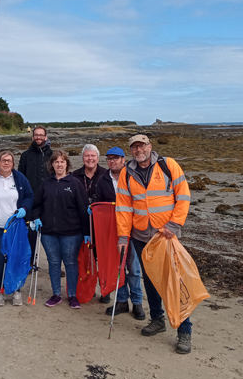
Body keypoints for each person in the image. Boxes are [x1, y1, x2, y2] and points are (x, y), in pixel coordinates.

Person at [115, 134, 194, 354]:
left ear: (150, 147)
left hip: (166, 236)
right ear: (131, 151)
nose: (138, 150)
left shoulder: (168, 165)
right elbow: (123, 207)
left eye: (141, 145)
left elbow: (184, 195)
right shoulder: (126, 173)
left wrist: (174, 225)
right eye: (134, 147)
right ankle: (158, 320)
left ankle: (184, 330)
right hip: (141, 236)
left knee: (175, 282)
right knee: (149, 280)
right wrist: (123, 237)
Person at [30, 150, 89, 309]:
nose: (59, 164)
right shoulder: (46, 183)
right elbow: (36, 205)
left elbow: (83, 209)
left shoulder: (75, 183)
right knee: (54, 262)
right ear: (52, 165)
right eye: (56, 162)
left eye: (62, 161)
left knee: (70, 263)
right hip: (48, 233)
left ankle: (72, 295)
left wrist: (87, 232)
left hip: (71, 233)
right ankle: (56, 294)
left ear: (67, 164)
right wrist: (36, 217)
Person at [92, 147, 145, 321]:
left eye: (115, 158)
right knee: (117, 267)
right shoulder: (102, 179)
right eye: (109, 159)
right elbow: (98, 202)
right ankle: (122, 300)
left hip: (134, 231)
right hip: (112, 231)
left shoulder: (133, 176)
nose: (112, 161)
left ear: (124, 160)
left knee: (134, 268)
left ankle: (137, 302)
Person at [0, 150, 34, 307]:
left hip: (15, 227)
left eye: (9, 160)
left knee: (15, 258)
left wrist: (24, 207)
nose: (6, 163)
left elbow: (30, 196)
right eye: (3, 160)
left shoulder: (20, 179)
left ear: (13, 163)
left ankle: (16, 291)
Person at [73, 143, 111, 303]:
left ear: (98, 157)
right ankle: (84, 288)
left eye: (92, 156)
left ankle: (105, 290)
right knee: (82, 259)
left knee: (102, 260)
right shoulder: (74, 176)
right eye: (87, 156)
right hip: (80, 225)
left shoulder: (106, 175)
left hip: (101, 226)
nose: (90, 159)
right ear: (83, 158)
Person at [18, 126, 53, 259]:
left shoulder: (51, 155)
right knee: (31, 234)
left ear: (46, 137)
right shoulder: (26, 156)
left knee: (50, 235)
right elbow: (20, 178)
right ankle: (30, 261)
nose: (38, 137)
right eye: (36, 135)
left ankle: (53, 263)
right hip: (31, 201)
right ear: (33, 137)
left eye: (41, 135)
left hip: (49, 201)